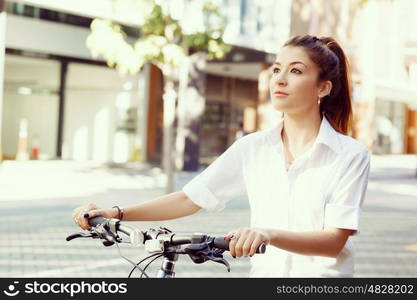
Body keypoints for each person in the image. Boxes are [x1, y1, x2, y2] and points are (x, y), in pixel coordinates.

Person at [72, 34, 370, 277]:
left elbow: (333, 242)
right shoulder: (252, 148)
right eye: (277, 69)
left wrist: (267, 234)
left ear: (323, 87)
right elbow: (190, 198)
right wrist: (116, 212)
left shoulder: (350, 156)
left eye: (296, 71)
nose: (279, 79)